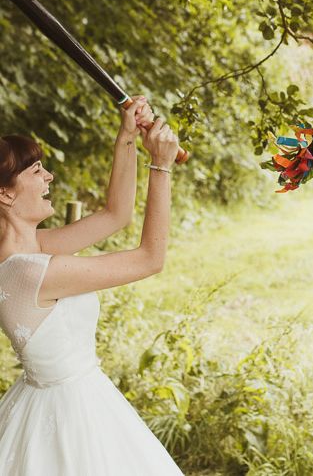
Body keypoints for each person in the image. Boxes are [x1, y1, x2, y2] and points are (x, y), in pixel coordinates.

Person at [0, 95, 184, 474]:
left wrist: (127, 136)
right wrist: (161, 166)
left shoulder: (28, 252)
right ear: (5, 193)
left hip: (65, 397)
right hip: (72, 411)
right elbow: (150, 258)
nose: (48, 176)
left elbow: (116, 215)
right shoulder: (29, 273)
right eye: (36, 171)